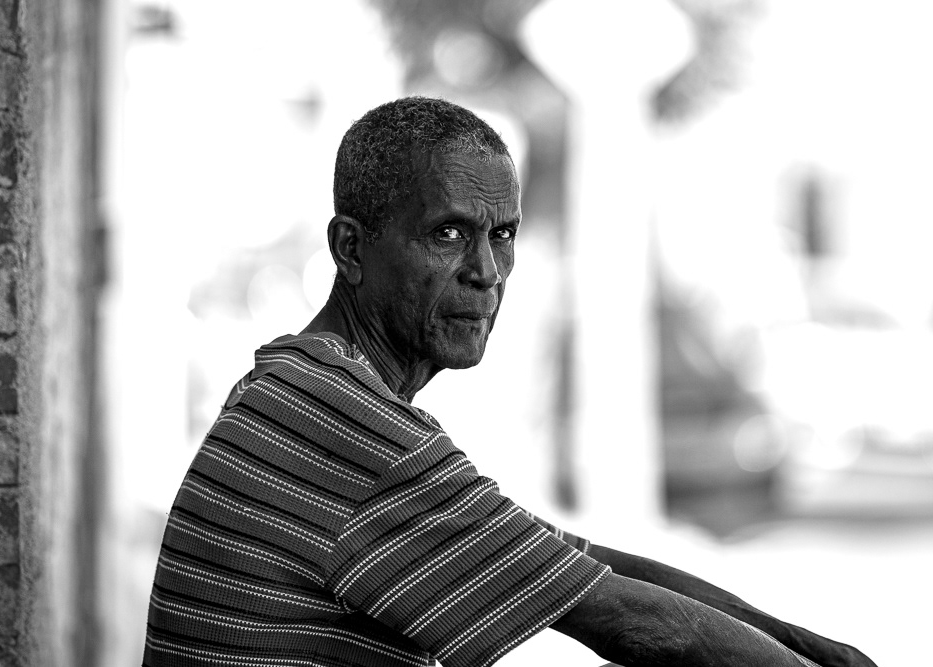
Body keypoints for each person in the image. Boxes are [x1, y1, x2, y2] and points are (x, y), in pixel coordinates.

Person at [143, 96, 876, 667]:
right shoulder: (338, 417)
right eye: (448, 233)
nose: (486, 273)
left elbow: (579, 562)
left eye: (503, 235)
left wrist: (807, 643)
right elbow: (629, 618)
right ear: (351, 249)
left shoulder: (300, 380)